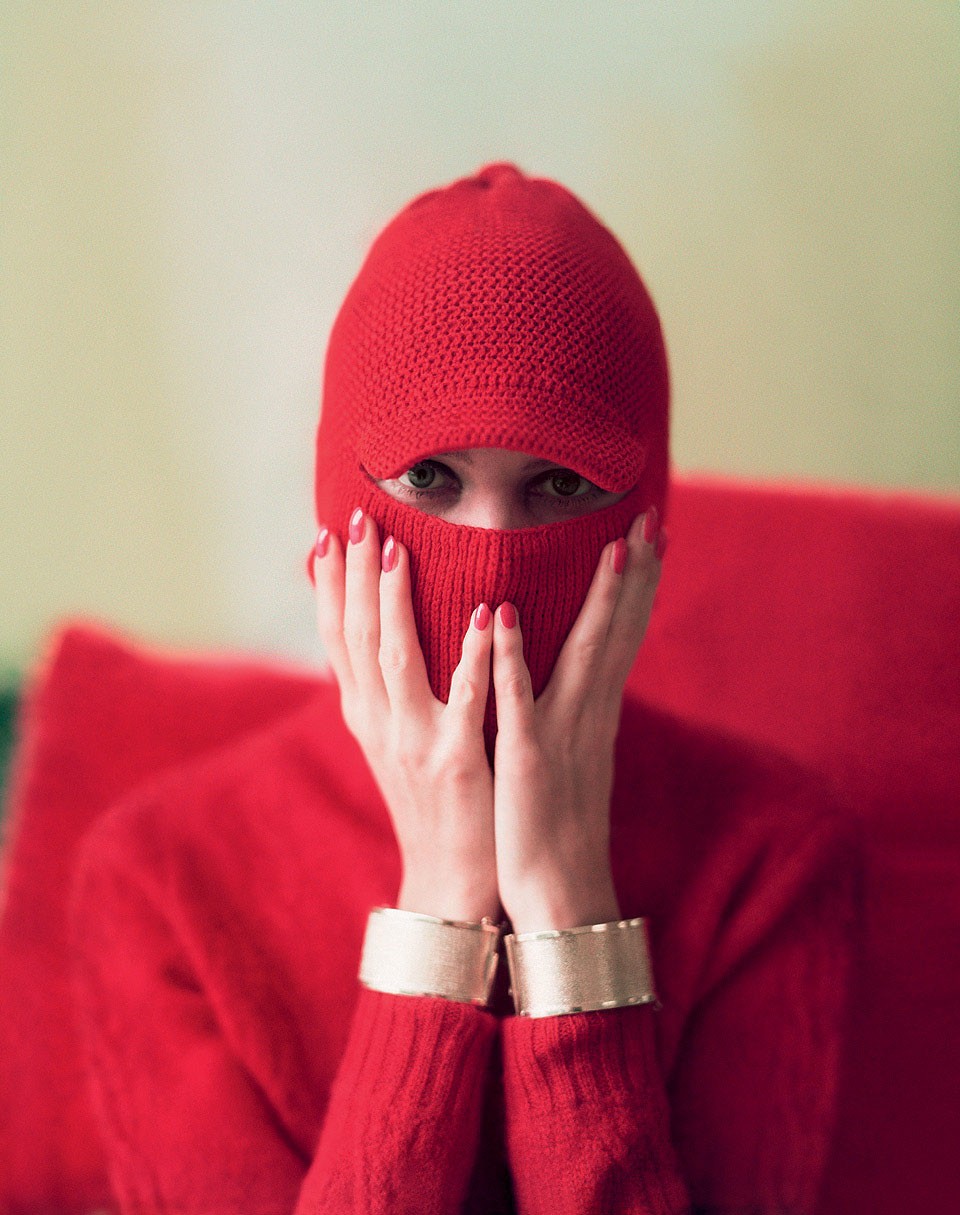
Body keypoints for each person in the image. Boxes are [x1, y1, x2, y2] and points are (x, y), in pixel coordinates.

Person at [68, 163, 860, 1214]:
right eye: (428, 478)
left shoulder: (769, 856)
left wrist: (569, 916)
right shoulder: (161, 879)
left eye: (561, 484)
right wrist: (441, 907)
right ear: (336, 511)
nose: (490, 557)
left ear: (647, 531)